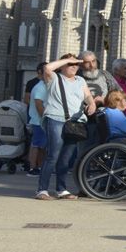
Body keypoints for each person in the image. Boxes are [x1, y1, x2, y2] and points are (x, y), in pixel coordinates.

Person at [36, 54, 95, 200]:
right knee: (53, 155)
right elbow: (47, 68)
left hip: (75, 122)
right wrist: (67, 60)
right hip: (55, 119)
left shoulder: (80, 80)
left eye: (76, 64)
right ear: (62, 65)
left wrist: (92, 103)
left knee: (66, 158)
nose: (74, 66)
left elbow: (87, 95)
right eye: (70, 64)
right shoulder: (54, 78)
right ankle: (42, 190)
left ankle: (61, 189)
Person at [26, 62, 47, 176]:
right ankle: (33, 168)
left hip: (38, 120)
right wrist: (45, 118)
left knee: (40, 145)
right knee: (37, 145)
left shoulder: (41, 86)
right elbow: (39, 105)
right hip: (39, 121)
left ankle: (38, 167)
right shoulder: (40, 87)